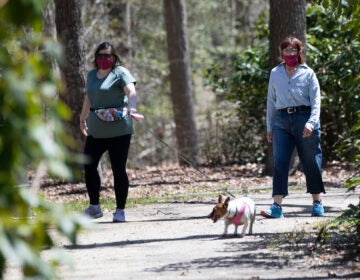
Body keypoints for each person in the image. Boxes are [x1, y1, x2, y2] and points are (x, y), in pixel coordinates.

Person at [261, 36, 325, 219]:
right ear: (281, 53)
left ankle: (317, 202)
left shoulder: (308, 73)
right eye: (287, 51)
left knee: (310, 161)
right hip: (281, 121)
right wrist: (269, 126)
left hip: (304, 118)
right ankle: (277, 207)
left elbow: (316, 101)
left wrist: (311, 123)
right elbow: (271, 101)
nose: (290, 54)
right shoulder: (275, 73)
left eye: (294, 51)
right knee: (280, 162)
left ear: (299, 52)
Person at [79, 41, 137, 222]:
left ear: (114, 57)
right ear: (96, 57)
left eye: (108, 56)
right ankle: (94, 207)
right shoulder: (91, 75)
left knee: (118, 169)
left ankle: (120, 210)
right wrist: (82, 118)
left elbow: (131, 92)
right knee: (89, 164)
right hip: (96, 130)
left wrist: (132, 109)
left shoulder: (120, 72)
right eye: (101, 56)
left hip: (119, 129)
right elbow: (89, 97)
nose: (104, 59)